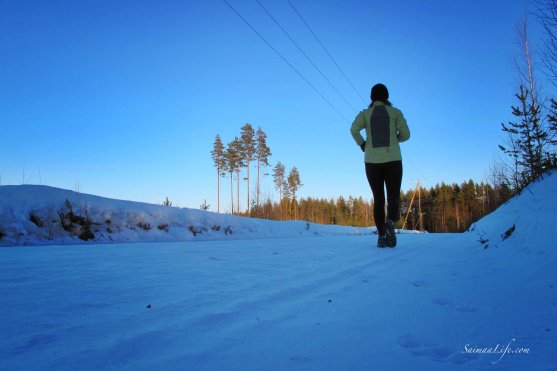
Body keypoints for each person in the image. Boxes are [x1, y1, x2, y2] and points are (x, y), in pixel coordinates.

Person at [350, 83, 410, 248]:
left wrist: (363, 144)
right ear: (387, 97)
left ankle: (382, 236)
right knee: (393, 197)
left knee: (378, 199)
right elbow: (406, 134)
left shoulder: (365, 114)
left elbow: (353, 129)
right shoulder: (395, 112)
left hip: (371, 162)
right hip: (393, 160)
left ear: (371, 98)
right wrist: (395, 139)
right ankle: (390, 221)